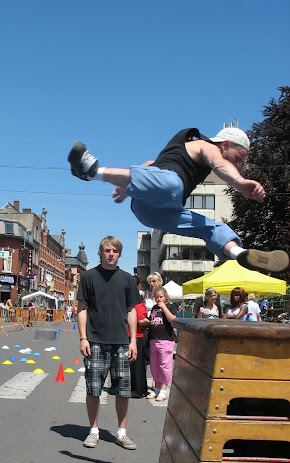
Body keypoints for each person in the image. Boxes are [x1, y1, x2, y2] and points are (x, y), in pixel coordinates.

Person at [68, 128, 289, 273]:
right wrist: (240, 182)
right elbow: (220, 165)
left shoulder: (175, 154)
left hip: (157, 210)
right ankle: (91, 171)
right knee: (172, 185)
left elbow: (148, 163)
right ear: (225, 144)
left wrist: (126, 188)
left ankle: (240, 253)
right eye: (238, 158)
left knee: (210, 227)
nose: (237, 164)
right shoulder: (208, 147)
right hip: (159, 196)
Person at [77, 236, 138, 450]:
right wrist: (83, 337)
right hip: (95, 340)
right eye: (107, 250)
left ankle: (121, 433)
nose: (110, 254)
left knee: (122, 390)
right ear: (100, 252)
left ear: (119, 254)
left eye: (114, 251)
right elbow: (82, 309)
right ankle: (93, 430)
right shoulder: (89, 277)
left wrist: (133, 341)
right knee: (93, 388)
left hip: (121, 342)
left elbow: (131, 311)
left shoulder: (127, 279)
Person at [146, 287, 177, 402]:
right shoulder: (154, 308)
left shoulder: (170, 307)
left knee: (165, 365)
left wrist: (164, 307)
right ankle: (157, 388)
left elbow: (172, 319)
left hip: (165, 340)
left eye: (161, 297)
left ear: (165, 297)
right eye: (157, 297)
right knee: (154, 366)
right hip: (154, 339)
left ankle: (164, 389)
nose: (159, 299)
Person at [130, 297, 149, 398]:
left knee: (134, 363)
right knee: (138, 363)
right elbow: (141, 320)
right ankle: (138, 389)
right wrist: (150, 322)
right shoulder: (138, 304)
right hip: (137, 335)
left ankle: (137, 388)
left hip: (129, 334)